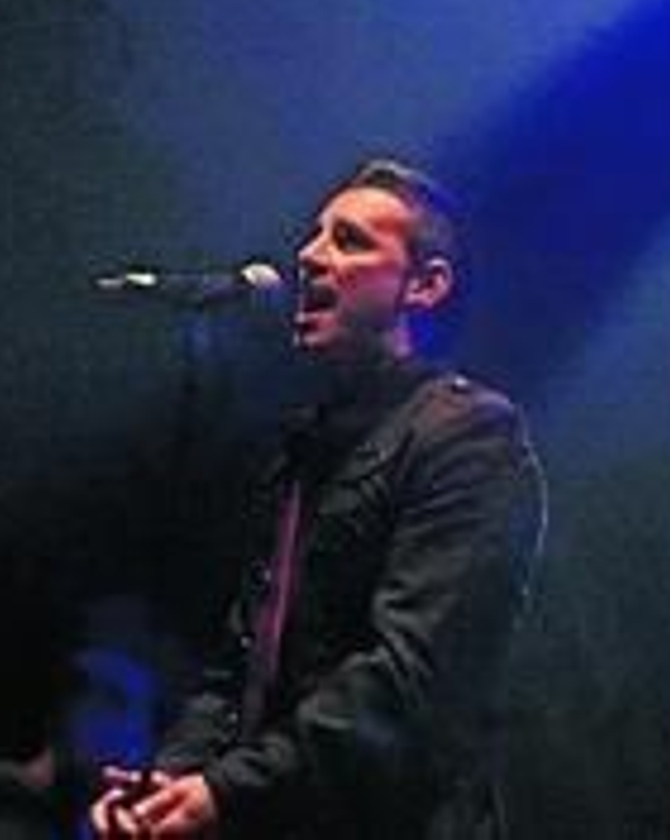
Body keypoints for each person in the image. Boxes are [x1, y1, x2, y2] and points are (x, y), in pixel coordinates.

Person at [88, 158, 546, 838]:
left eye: (349, 240)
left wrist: (227, 790)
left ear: (425, 285)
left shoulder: (470, 436)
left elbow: (411, 676)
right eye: (315, 234)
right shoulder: (304, 447)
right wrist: (169, 781)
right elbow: (240, 665)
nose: (308, 255)